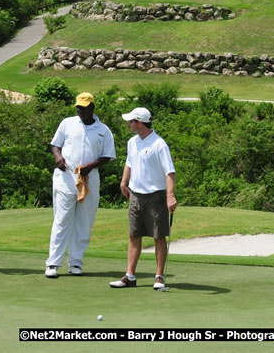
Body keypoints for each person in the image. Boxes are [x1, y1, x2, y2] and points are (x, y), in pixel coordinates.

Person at [45, 92, 116, 278]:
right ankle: (53, 263)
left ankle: (75, 263)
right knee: (61, 221)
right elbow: (55, 144)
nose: (80, 110)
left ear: (92, 108)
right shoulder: (67, 123)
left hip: (89, 180)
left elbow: (108, 155)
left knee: (84, 224)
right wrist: (58, 157)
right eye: (78, 107)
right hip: (65, 179)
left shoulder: (103, 130)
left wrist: (90, 166)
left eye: (83, 108)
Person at [110, 107, 177, 290]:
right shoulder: (132, 142)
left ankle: (159, 277)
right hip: (136, 196)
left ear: (139, 123)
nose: (128, 124)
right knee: (134, 235)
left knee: (159, 236)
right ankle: (130, 275)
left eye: (131, 121)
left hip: (156, 196)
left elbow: (170, 172)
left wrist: (170, 196)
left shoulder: (159, 144)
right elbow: (129, 163)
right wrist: (124, 182)